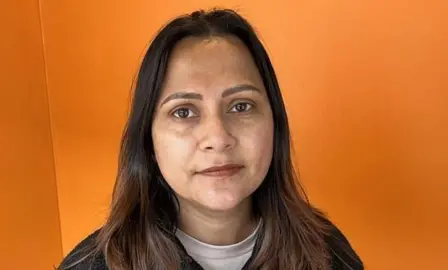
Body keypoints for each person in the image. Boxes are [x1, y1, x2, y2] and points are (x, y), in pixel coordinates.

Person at [58, 8, 363, 270]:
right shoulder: (92, 264)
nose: (217, 138)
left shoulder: (328, 254)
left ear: (275, 125)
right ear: (148, 141)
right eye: (183, 112)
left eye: (241, 106)